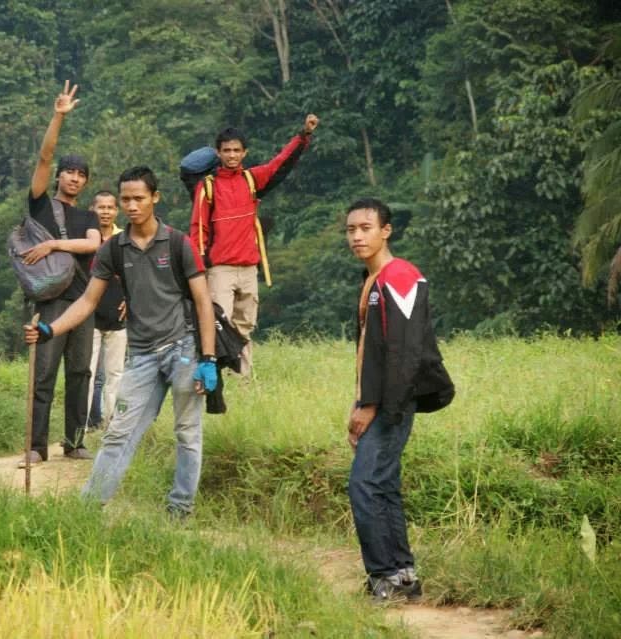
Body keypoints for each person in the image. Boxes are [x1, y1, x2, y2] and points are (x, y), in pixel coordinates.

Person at [24, 166, 217, 517]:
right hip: (141, 355)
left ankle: (180, 509)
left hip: (183, 350)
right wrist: (52, 329)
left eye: (138, 198)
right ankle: (88, 508)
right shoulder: (113, 248)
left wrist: (209, 358)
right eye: (125, 199)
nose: (131, 205)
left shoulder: (177, 243)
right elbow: (87, 302)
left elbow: (203, 302)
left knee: (187, 432)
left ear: (155, 198)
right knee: (117, 433)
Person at [345, 197, 454, 603]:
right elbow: (369, 351)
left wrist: (376, 407)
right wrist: (358, 401)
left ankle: (385, 577)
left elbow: (405, 353)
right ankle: (404, 576)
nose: (357, 236)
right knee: (382, 484)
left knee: (364, 484)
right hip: (378, 400)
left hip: (393, 402)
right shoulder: (371, 279)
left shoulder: (401, 275)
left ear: (386, 231)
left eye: (366, 228)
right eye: (351, 229)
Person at [188, 115, 319, 378]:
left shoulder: (251, 180)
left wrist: (303, 135)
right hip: (220, 270)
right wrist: (197, 271)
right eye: (227, 150)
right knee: (217, 324)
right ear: (218, 152)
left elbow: (279, 164)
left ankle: (243, 380)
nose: (232, 155)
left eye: (237, 150)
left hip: (248, 268)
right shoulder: (209, 186)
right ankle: (218, 379)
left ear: (244, 152)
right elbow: (198, 231)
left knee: (245, 327)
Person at [19, 81, 101, 466]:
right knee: (44, 374)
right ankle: (36, 447)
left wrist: (53, 245)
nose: (74, 178)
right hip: (50, 302)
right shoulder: (39, 208)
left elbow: (94, 245)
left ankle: (74, 442)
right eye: (69, 172)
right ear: (60, 177)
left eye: (81, 174)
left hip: (83, 302)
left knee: (81, 372)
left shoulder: (88, 216)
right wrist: (59, 116)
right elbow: (43, 158)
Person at [86, 190, 127, 431]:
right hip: (90, 315)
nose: (105, 212)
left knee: (116, 374)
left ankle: (113, 425)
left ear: (116, 211)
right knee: (87, 373)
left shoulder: (124, 238)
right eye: (101, 207)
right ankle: (80, 427)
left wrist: (131, 300)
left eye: (110, 208)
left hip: (118, 315)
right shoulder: (86, 239)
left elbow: (134, 274)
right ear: (92, 209)